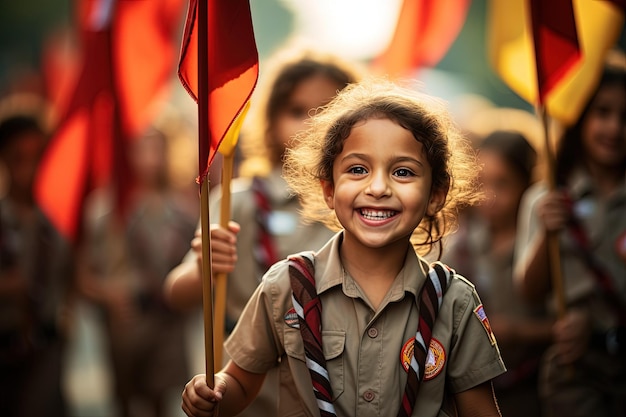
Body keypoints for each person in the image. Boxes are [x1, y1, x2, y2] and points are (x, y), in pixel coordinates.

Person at [181, 78, 506, 417]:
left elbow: (480, 409)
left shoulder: (453, 299)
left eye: (403, 172)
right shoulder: (286, 285)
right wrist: (213, 391)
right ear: (329, 189)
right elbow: (241, 384)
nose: (378, 187)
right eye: (357, 169)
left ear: (436, 194)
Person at [164, 45, 362, 416]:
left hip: (341, 390)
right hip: (246, 390)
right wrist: (204, 265)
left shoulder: (364, 203)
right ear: (270, 121)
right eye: (297, 111)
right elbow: (177, 293)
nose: (314, 124)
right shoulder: (234, 202)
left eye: (330, 111)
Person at [513, 50, 626, 417]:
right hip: (577, 363)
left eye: (625, 117)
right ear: (579, 118)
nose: (614, 128)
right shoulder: (546, 197)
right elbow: (530, 291)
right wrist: (549, 233)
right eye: (602, 113)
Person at [77, 121, 198, 417]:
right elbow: (81, 275)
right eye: (140, 146)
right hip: (126, 322)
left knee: (161, 398)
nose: (149, 156)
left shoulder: (181, 210)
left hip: (166, 320)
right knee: (126, 399)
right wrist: (108, 295)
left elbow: (192, 265)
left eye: (156, 146)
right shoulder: (105, 208)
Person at [442, 130, 552, 417]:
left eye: (502, 184)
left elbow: (569, 325)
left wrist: (519, 332)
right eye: (481, 183)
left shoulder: (543, 245)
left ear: (527, 185)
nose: (489, 196)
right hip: (482, 388)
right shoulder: (463, 245)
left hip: (537, 385)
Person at [0, 95, 75, 417]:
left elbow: (74, 274)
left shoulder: (58, 217)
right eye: (18, 158)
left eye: (37, 157)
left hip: (47, 347)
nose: (28, 170)